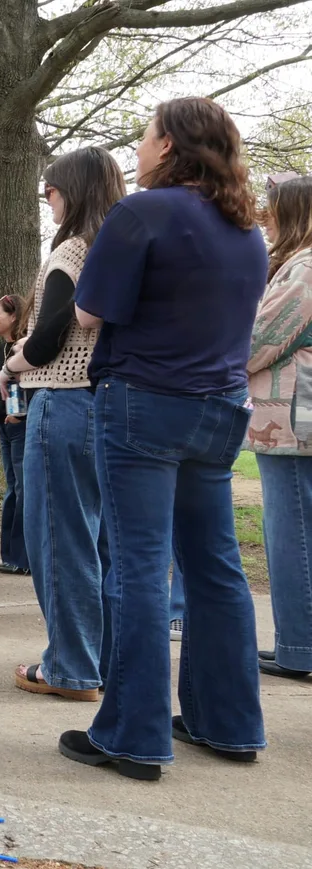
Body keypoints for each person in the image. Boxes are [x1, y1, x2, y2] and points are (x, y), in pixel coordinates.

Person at [61, 97, 268, 780]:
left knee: (140, 567)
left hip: (144, 405)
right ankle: (228, 722)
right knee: (216, 567)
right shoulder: (248, 232)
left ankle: (132, 734)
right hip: (219, 409)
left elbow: (88, 313)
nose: (138, 148)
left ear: (171, 147)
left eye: (145, 137)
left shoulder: (141, 213)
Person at [0, 146, 125, 701]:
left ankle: (71, 668)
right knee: (98, 541)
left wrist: (11, 363)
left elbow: (50, 337)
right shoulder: (121, 248)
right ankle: (100, 659)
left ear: (70, 192)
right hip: (107, 404)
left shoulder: (72, 251)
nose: (46, 199)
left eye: (49, 190)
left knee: (57, 539)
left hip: (63, 401)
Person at [247, 174, 312, 679]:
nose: (265, 217)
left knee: (291, 533)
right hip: (293, 420)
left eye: (271, 208)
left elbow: (258, 341)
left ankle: (299, 646)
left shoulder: (303, 269)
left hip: (293, 422)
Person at [0, 294, 29, 577]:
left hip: (19, 426)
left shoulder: (23, 348)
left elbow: (24, 384)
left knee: (23, 490)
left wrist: (19, 414)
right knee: (12, 489)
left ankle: (24, 558)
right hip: (4, 425)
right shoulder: (2, 349)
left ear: (14, 317)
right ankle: (11, 556)